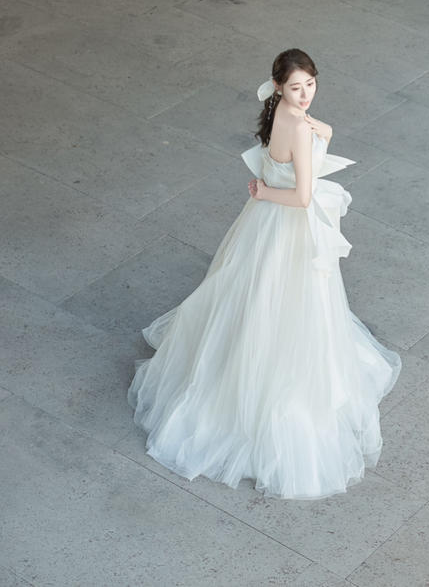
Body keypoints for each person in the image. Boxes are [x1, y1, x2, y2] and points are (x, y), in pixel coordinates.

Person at [128, 48, 400, 499]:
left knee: (251, 295)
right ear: (278, 86)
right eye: (297, 87)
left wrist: (307, 143)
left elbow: (309, 136)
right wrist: (265, 191)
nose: (306, 94)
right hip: (288, 225)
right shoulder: (297, 125)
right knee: (292, 305)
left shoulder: (278, 111)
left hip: (263, 227)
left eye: (310, 84)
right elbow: (302, 198)